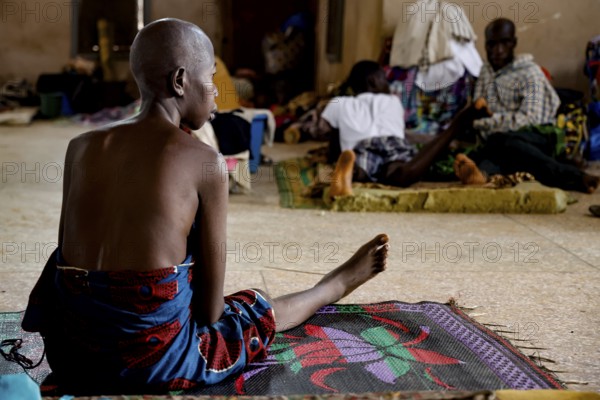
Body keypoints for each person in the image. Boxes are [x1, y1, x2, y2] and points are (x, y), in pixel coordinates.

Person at [21, 19, 389, 394]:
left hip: (71, 356)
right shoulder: (205, 161)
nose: (216, 93)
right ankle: (333, 285)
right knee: (250, 308)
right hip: (153, 363)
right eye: (212, 79)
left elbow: (66, 263)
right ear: (180, 81)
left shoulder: (80, 147)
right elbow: (210, 313)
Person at [454, 18, 599, 193]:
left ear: (513, 43)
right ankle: (481, 176)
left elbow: (530, 119)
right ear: (485, 46)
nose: (498, 50)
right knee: (498, 150)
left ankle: (573, 176)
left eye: (504, 43)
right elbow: (477, 113)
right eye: (492, 45)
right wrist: (480, 123)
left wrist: (487, 122)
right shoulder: (485, 73)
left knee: (502, 141)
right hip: (500, 143)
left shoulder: (530, 73)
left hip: (537, 136)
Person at [317, 60, 487, 197]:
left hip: (359, 146)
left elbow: (334, 139)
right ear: (373, 81)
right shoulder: (393, 101)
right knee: (400, 171)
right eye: (384, 78)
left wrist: (333, 158)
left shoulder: (340, 103)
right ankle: (456, 125)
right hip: (393, 142)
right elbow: (401, 132)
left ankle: (351, 173)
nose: (388, 83)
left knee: (363, 170)